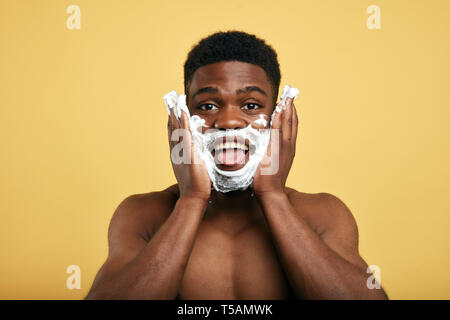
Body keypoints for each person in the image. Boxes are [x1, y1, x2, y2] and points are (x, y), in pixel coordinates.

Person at [85, 30, 388, 300]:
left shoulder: (323, 213)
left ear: (279, 116)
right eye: (207, 106)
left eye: (251, 105)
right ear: (182, 118)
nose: (228, 122)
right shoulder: (142, 214)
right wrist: (191, 200)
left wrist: (273, 194)